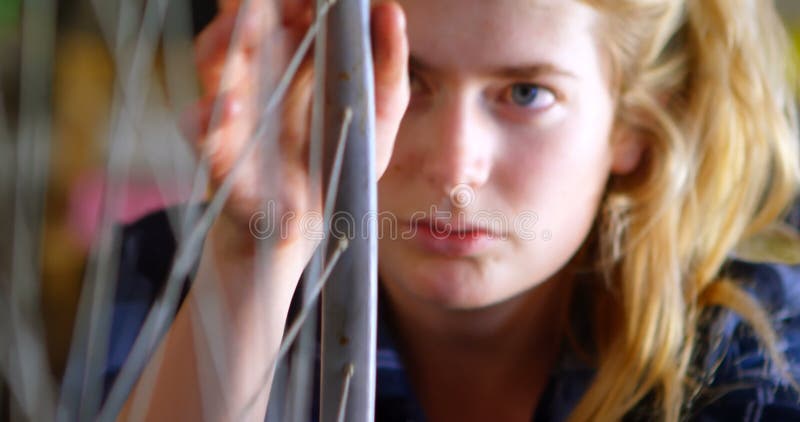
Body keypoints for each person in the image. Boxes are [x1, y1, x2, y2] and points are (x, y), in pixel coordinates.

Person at [105, 0, 800, 420]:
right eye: (408, 79)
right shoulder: (175, 268)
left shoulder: (755, 350)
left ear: (635, 125)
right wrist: (254, 255)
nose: (451, 166)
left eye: (526, 93)